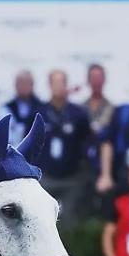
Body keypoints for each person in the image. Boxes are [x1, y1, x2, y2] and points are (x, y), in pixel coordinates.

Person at [36, 69, 94, 223]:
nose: (59, 86)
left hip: (71, 177)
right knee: (43, 218)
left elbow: (87, 141)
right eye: (55, 82)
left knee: (70, 221)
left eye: (62, 82)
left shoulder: (78, 114)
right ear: (49, 85)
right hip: (46, 176)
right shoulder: (39, 112)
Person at [1, 70, 44, 143]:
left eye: (27, 83)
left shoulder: (42, 107)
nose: (24, 86)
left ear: (32, 85)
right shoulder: (6, 108)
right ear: (15, 85)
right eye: (21, 82)